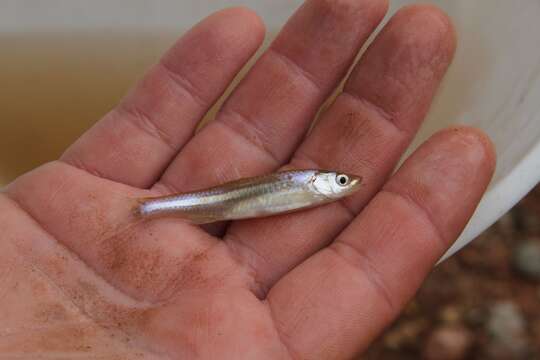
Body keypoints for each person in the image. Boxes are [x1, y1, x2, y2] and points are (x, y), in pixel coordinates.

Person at [0, 1, 495, 358]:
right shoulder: (308, 186)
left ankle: (154, 209)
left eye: (339, 182)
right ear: (320, 183)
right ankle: (151, 209)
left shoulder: (306, 191)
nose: (343, 185)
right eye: (340, 180)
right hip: (204, 203)